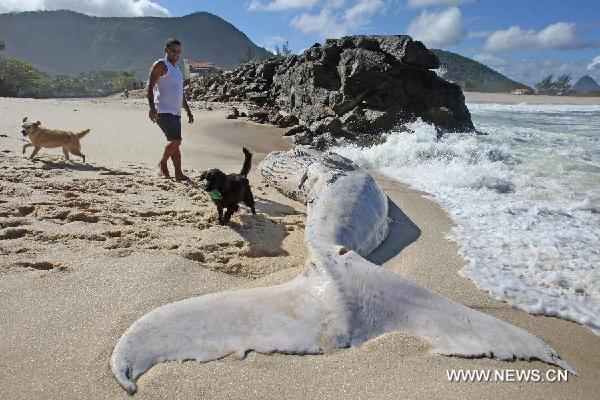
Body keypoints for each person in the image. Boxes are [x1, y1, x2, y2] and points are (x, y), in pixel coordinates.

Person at [147, 38, 194, 180]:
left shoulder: (177, 70)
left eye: (178, 51)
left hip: (175, 112)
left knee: (175, 143)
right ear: (166, 50)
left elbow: (181, 93)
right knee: (176, 141)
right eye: (173, 50)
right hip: (163, 109)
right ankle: (162, 162)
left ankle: (178, 174)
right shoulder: (161, 65)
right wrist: (152, 108)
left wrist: (188, 111)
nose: (176, 54)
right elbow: (149, 86)